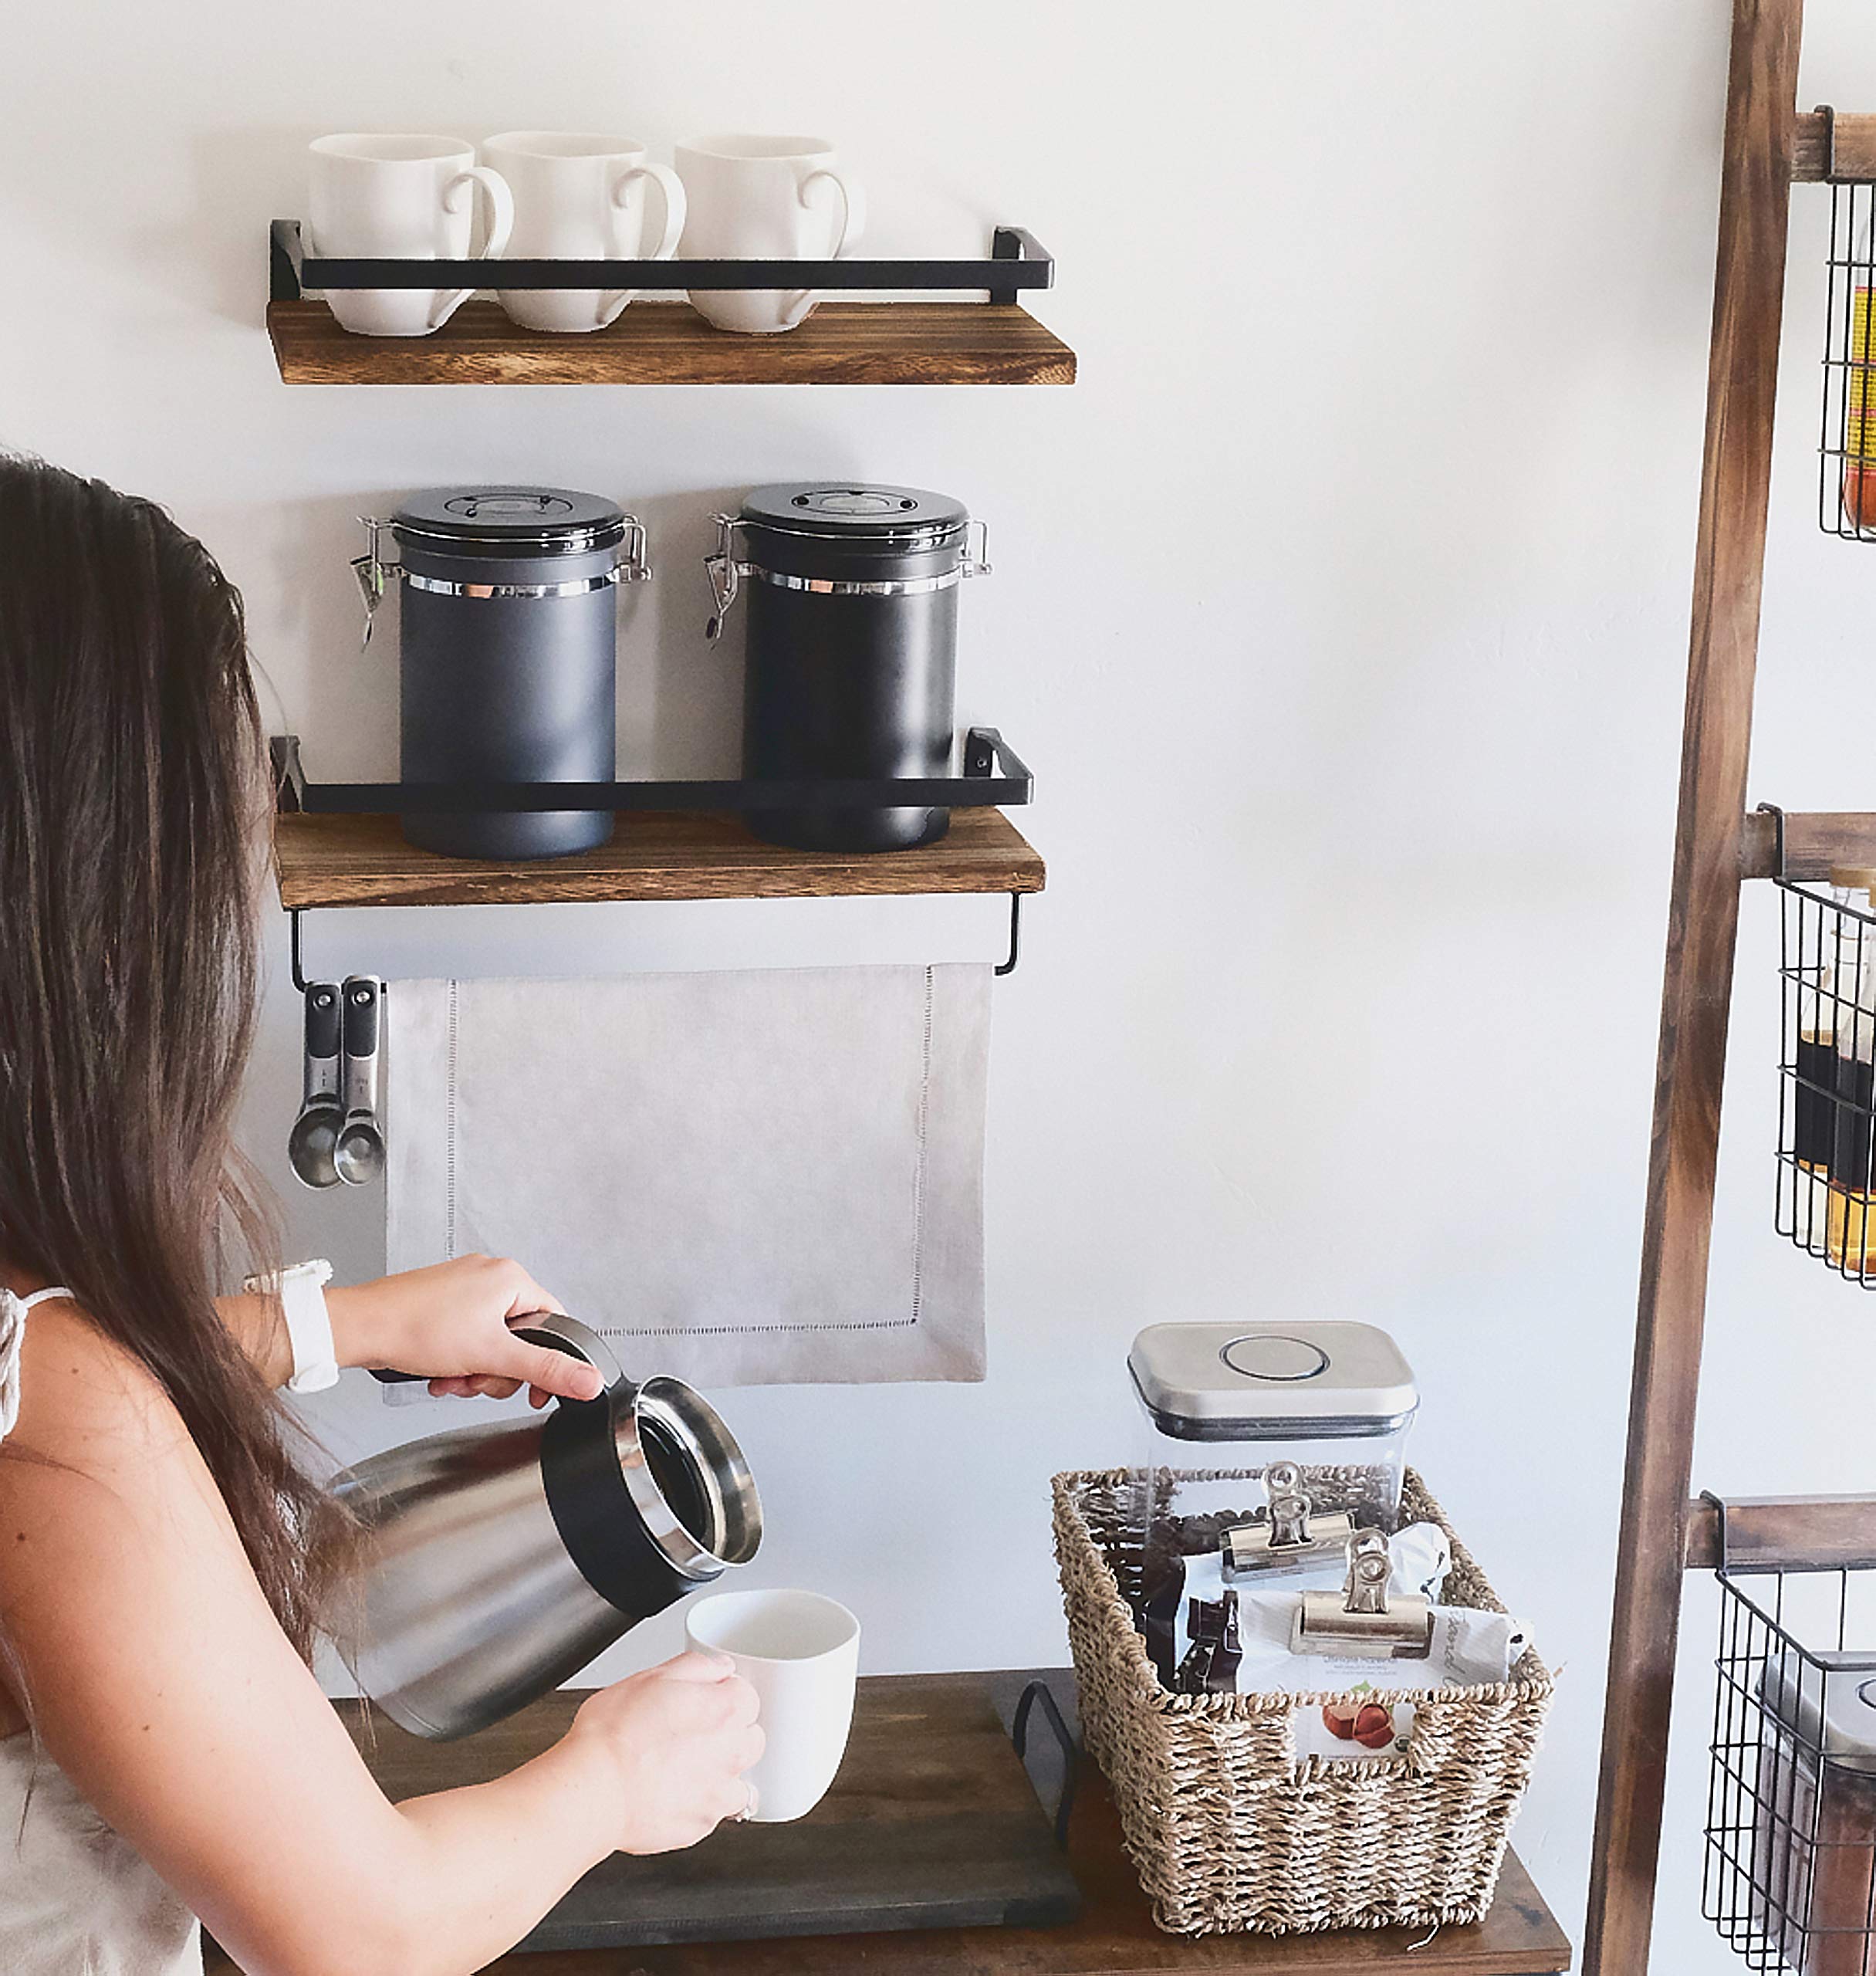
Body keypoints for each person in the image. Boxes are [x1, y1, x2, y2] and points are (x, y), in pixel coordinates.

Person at [0, 455, 763, 1975]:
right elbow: (363, 1929)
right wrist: (613, 1779)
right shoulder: (71, 1426)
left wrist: (323, 1323)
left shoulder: (58, 1393)